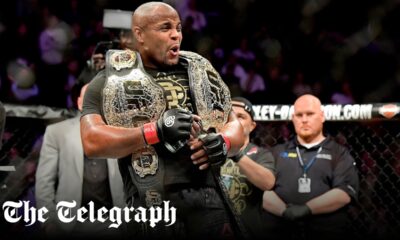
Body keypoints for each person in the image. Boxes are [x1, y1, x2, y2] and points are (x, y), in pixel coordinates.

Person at [80, 2, 244, 240]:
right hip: (150, 201)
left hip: (208, 196)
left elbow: (237, 127)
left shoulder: (199, 71)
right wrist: (154, 131)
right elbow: (91, 141)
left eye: (178, 27)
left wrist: (224, 141)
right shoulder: (111, 79)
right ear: (139, 34)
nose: (176, 34)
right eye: (165, 27)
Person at [262, 94, 359, 240]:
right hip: (281, 231)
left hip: (326, 232)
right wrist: (284, 212)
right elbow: (261, 189)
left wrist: (306, 209)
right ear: (293, 118)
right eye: (299, 115)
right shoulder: (276, 152)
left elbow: (344, 193)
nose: (304, 119)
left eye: (310, 114)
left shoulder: (339, 153)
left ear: (322, 116)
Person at [35, 84, 125, 240]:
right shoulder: (57, 132)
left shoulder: (122, 131)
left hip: (115, 222)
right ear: (79, 103)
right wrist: (48, 221)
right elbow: (44, 181)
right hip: (69, 224)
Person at [220, 97, 275, 239]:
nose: (235, 121)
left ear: (252, 126)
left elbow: (268, 183)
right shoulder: (207, 150)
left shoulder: (262, 154)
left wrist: (236, 154)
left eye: (241, 116)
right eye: (229, 115)